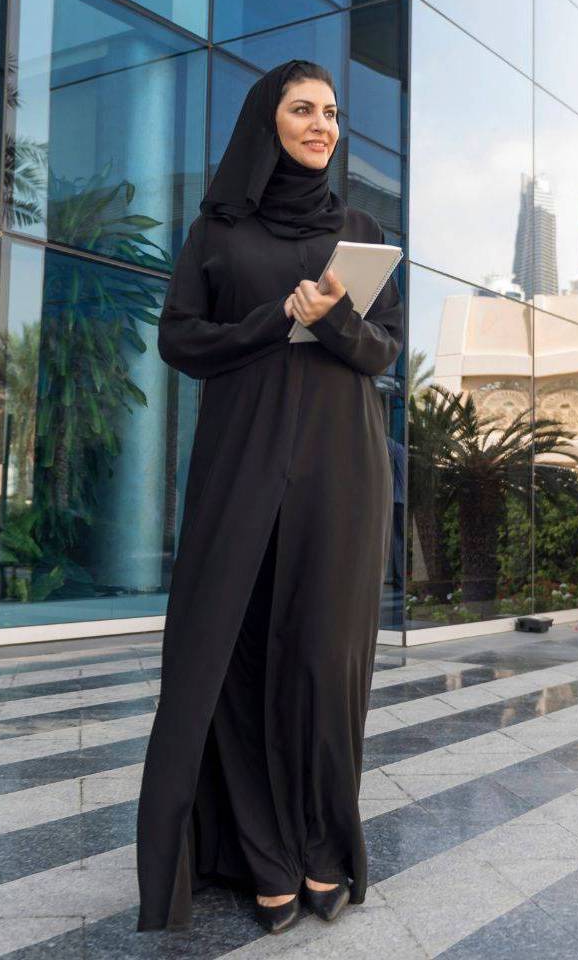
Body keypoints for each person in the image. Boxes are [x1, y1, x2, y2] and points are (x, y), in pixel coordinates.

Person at [135, 58, 404, 935]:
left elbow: (382, 354)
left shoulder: (359, 230)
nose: (321, 124)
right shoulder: (220, 229)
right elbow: (181, 338)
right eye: (302, 109)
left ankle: (324, 847)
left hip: (342, 468)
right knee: (235, 656)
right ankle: (262, 855)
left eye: (330, 112)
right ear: (268, 121)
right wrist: (273, 321)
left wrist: (332, 319)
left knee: (327, 663)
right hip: (241, 460)